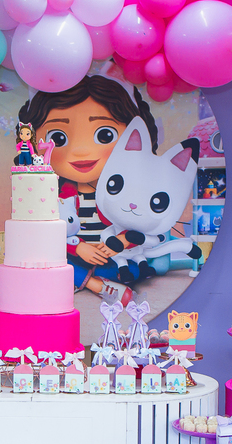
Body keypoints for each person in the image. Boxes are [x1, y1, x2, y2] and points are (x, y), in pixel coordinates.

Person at [17, 75, 163, 305]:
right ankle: (96, 285)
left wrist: (119, 243)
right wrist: (79, 248)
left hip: (112, 259)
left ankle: (87, 280)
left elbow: (136, 228)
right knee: (51, 263)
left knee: (131, 269)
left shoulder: (126, 194)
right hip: (75, 257)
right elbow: (49, 236)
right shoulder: (54, 196)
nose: (81, 150)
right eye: (58, 138)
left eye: (104, 135)